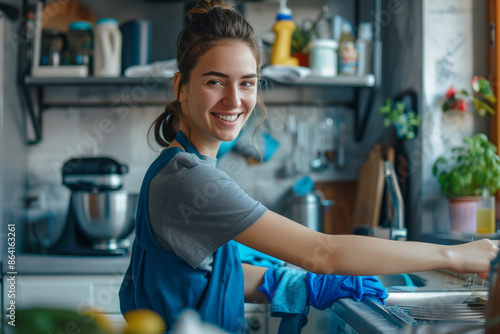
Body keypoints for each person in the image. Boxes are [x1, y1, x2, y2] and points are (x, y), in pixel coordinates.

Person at [119, 0, 499, 333]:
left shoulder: (179, 166)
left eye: (247, 83)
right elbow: (324, 251)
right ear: (181, 87)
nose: (234, 99)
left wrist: (291, 284)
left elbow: (203, 276)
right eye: (215, 82)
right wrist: (455, 254)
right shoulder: (189, 179)